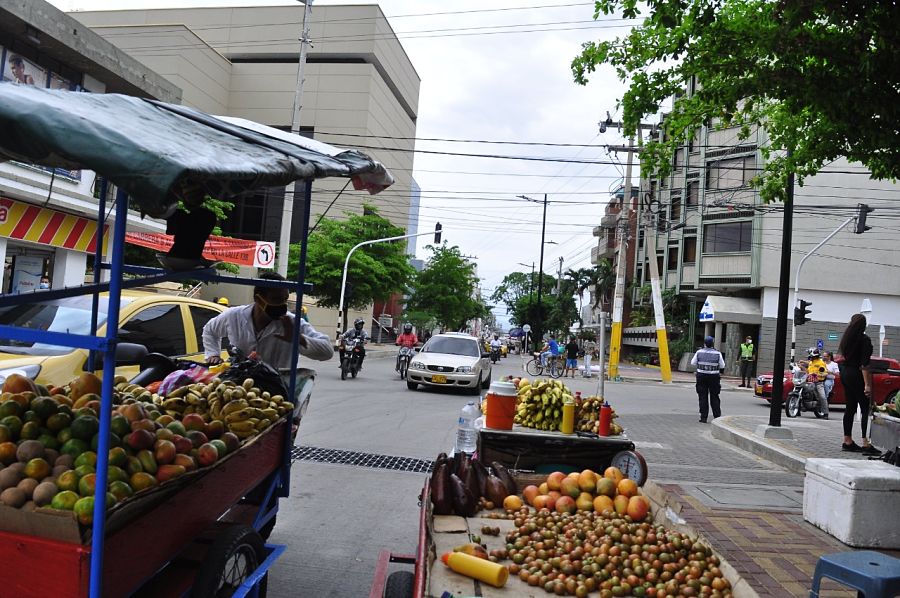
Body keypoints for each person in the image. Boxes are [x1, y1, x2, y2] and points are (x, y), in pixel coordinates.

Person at [202, 271, 333, 370]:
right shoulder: (233, 316)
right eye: (276, 299)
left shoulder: (293, 323)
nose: (282, 304)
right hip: (240, 387)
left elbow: (327, 351)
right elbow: (209, 330)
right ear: (258, 299)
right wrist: (213, 354)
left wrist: (299, 339)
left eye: (285, 300)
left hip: (277, 392)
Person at [838, 314, 878, 454]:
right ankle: (866, 443)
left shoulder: (846, 339)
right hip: (857, 375)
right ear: (864, 325)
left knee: (850, 407)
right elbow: (864, 365)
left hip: (845, 372)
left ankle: (847, 440)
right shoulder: (864, 339)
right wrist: (867, 385)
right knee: (865, 407)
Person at [691, 336, 725, 423]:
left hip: (701, 376)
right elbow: (722, 365)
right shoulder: (717, 353)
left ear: (704, 343)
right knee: (715, 396)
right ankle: (717, 417)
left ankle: (703, 417)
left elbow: (693, 362)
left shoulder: (699, 352)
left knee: (702, 396)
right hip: (714, 377)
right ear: (712, 344)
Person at [803, 348, 829, 419]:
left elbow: (825, 372)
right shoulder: (811, 363)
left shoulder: (821, 363)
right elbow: (808, 372)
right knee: (802, 391)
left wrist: (819, 374)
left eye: (810, 355)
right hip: (809, 382)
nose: (809, 356)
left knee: (822, 397)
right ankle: (801, 407)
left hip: (818, 383)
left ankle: (826, 413)